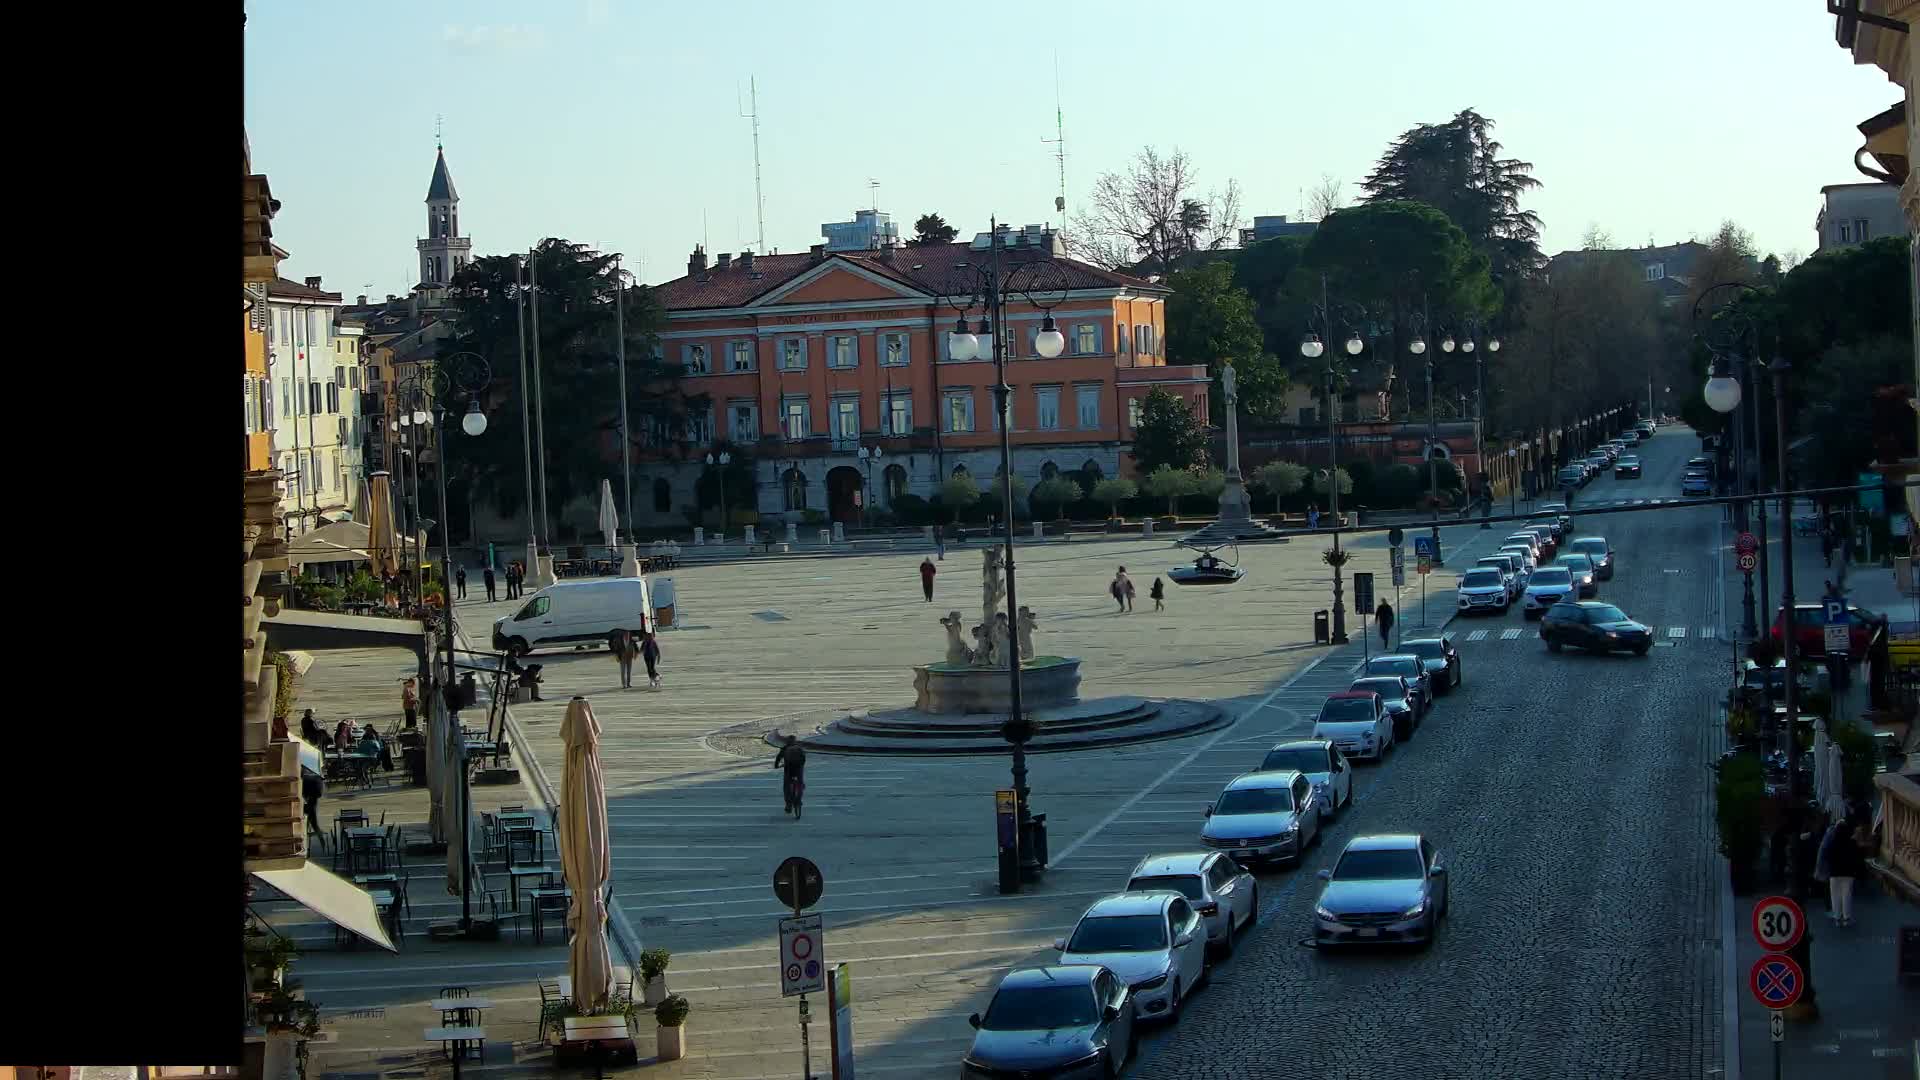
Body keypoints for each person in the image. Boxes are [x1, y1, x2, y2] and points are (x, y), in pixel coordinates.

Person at [1827, 820, 1866, 927]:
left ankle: (1837, 917)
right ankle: (1846, 917)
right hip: (1848, 873)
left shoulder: (1832, 842)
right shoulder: (1851, 843)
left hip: (1834, 873)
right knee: (1847, 895)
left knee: (1835, 896)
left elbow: (1828, 856)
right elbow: (1857, 857)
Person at [774, 734, 807, 816]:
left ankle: (789, 805)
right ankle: (798, 800)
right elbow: (804, 758)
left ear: (788, 741)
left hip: (789, 769)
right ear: (795, 741)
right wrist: (801, 765)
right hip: (799, 769)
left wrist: (776, 766)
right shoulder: (799, 748)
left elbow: (778, 758)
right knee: (800, 783)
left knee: (786, 787)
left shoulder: (785, 748)